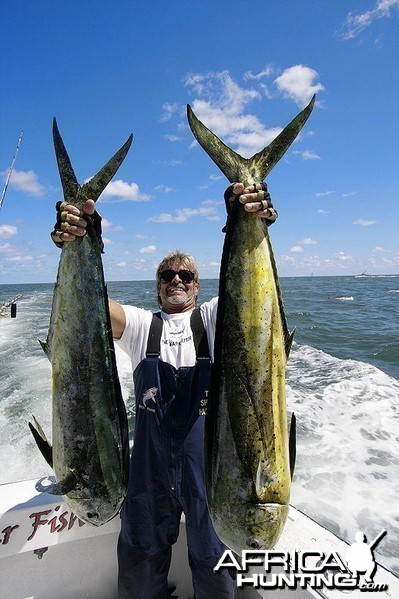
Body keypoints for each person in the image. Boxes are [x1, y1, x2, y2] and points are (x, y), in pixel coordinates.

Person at [52, 182, 277, 599]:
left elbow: (248, 292)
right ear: (157, 286)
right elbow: (94, 310)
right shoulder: (142, 326)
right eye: (167, 275)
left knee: (215, 564)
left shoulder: (213, 318)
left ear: (197, 287)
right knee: (139, 562)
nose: (176, 279)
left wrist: (247, 220)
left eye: (185, 275)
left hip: (209, 473)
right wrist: (82, 243)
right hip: (148, 470)